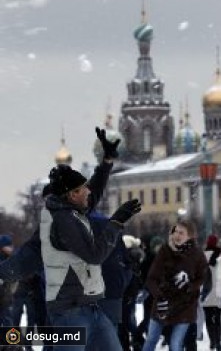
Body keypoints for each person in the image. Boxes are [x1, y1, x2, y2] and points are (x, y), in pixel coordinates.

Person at [40, 127, 141, 351]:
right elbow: (95, 255)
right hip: (70, 310)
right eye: (81, 189)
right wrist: (116, 223)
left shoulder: (74, 212)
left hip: (90, 306)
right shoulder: (62, 220)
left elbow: (93, 191)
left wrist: (106, 163)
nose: (88, 192)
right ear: (71, 195)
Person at [142, 220, 207, 351]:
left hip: (184, 306)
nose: (177, 235)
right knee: (151, 340)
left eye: (181, 233)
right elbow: (151, 278)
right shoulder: (165, 251)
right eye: (175, 232)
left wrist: (189, 285)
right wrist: (159, 296)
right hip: (163, 304)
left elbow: (203, 277)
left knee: (176, 344)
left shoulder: (197, 254)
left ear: (190, 236)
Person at [201, 234, 221, 351]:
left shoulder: (202, 256)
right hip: (218, 291)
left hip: (206, 292)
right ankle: (218, 342)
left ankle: (212, 341)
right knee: (218, 318)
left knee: (208, 318)